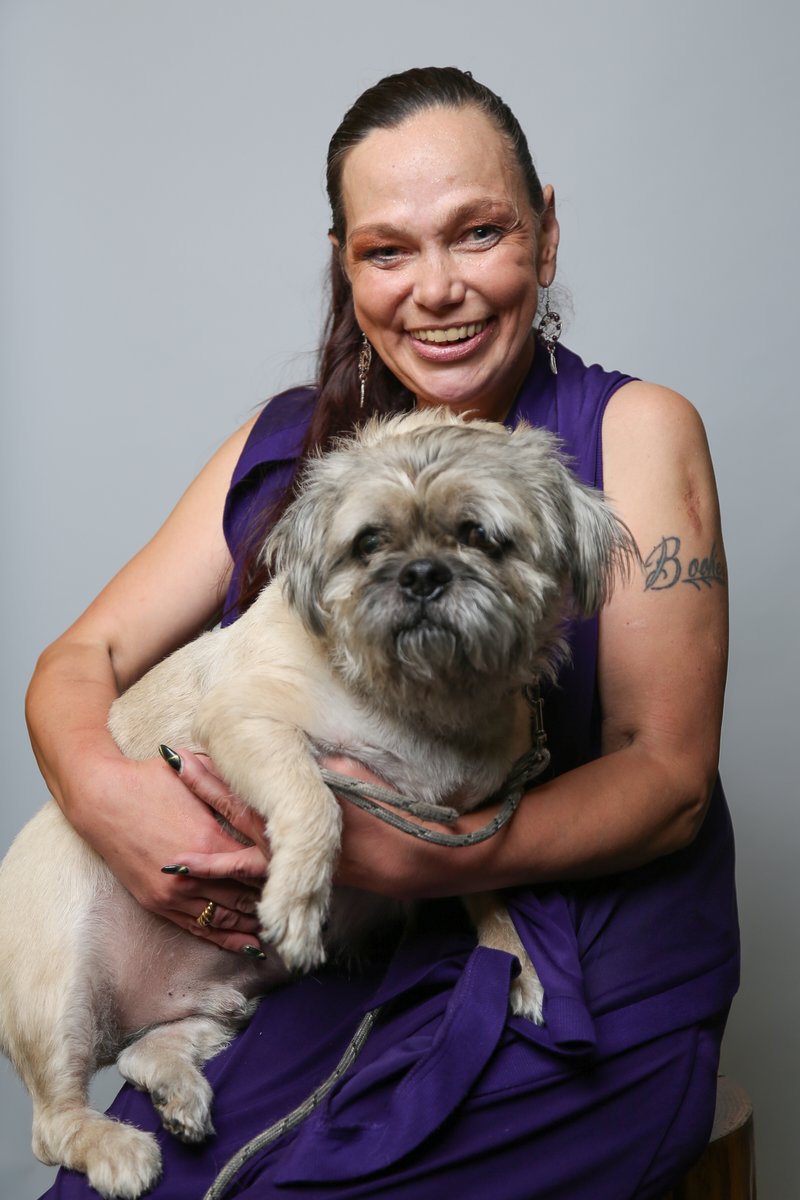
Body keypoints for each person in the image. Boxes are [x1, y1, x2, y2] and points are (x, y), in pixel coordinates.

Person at [30, 67, 738, 1199]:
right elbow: (80, 663)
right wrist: (106, 797)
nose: (438, 288)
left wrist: (431, 856)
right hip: (315, 963)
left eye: (479, 232)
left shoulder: (629, 430)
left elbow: (668, 780)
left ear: (545, 235)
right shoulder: (282, 445)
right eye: (387, 249)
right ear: (344, 264)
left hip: (580, 959)